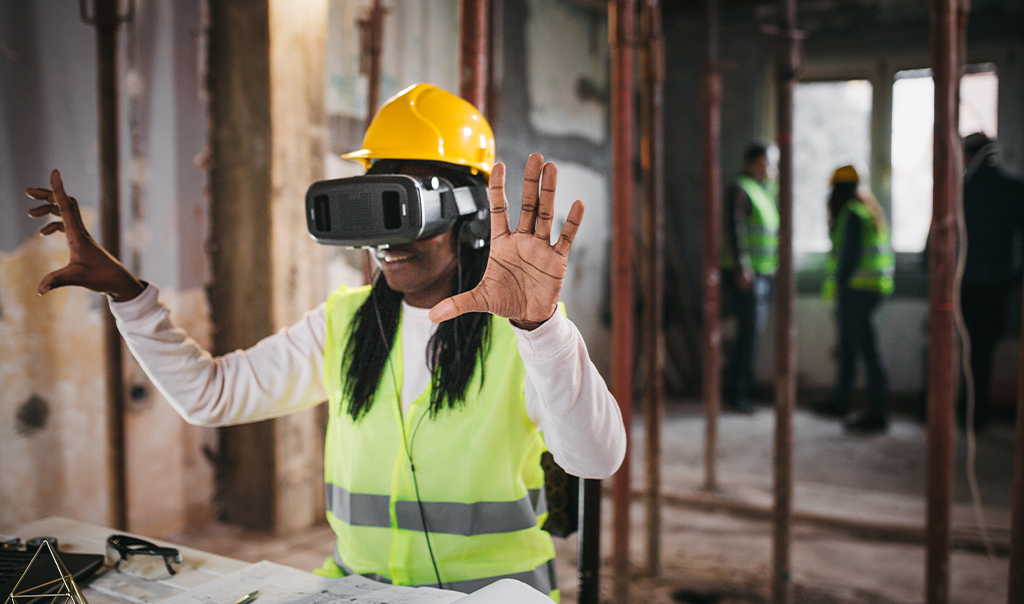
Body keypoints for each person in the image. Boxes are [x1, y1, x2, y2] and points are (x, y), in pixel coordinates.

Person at [24, 84, 626, 600]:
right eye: (370, 206)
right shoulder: (345, 322)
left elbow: (596, 459)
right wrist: (128, 294)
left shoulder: (524, 332)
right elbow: (209, 395)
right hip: (357, 592)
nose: (385, 238)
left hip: (490, 599)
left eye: (402, 206)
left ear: (466, 215)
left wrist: (542, 328)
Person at [814, 165, 894, 433]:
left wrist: (839, 287)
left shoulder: (852, 214)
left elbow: (848, 258)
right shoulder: (864, 210)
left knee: (868, 353)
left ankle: (877, 413)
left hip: (858, 292)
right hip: (865, 290)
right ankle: (840, 400)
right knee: (848, 349)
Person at [958, 132, 1024, 430]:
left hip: (964, 283)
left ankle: (963, 411)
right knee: (983, 350)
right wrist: (1013, 278)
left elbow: (938, 238)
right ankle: (975, 413)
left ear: (970, 155)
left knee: (962, 348)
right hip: (997, 285)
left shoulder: (962, 189)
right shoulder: (1012, 189)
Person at [720, 142, 779, 413]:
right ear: (756, 161)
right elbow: (735, 230)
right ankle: (734, 391)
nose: (773, 169)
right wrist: (742, 267)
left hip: (763, 274)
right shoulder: (741, 189)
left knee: (753, 335)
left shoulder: (762, 192)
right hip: (746, 274)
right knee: (746, 335)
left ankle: (746, 386)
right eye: (769, 162)